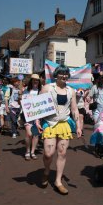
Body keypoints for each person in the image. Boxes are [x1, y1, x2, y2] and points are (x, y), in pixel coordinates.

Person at [37, 64, 82, 195]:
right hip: (49, 124)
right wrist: (37, 121)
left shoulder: (70, 91)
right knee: (48, 153)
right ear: (56, 75)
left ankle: (58, 181)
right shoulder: (47, 88)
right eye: (61, 74)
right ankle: (46, 171)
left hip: (64, 124)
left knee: (62, 153)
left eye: (66, 74)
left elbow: (74, 109)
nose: (64, 76)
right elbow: (37, 106)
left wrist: (78, 126)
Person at [22, 74, 42, 160]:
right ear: (31, 81)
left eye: (37, 80)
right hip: (28, 115)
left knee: (36, 134)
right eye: (34, 80)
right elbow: (23, 103)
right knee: (29, 134)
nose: (35, 81)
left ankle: (32, 152)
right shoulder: (26, 91)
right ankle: (27, 151)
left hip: (38, 116)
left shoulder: (41, 91)